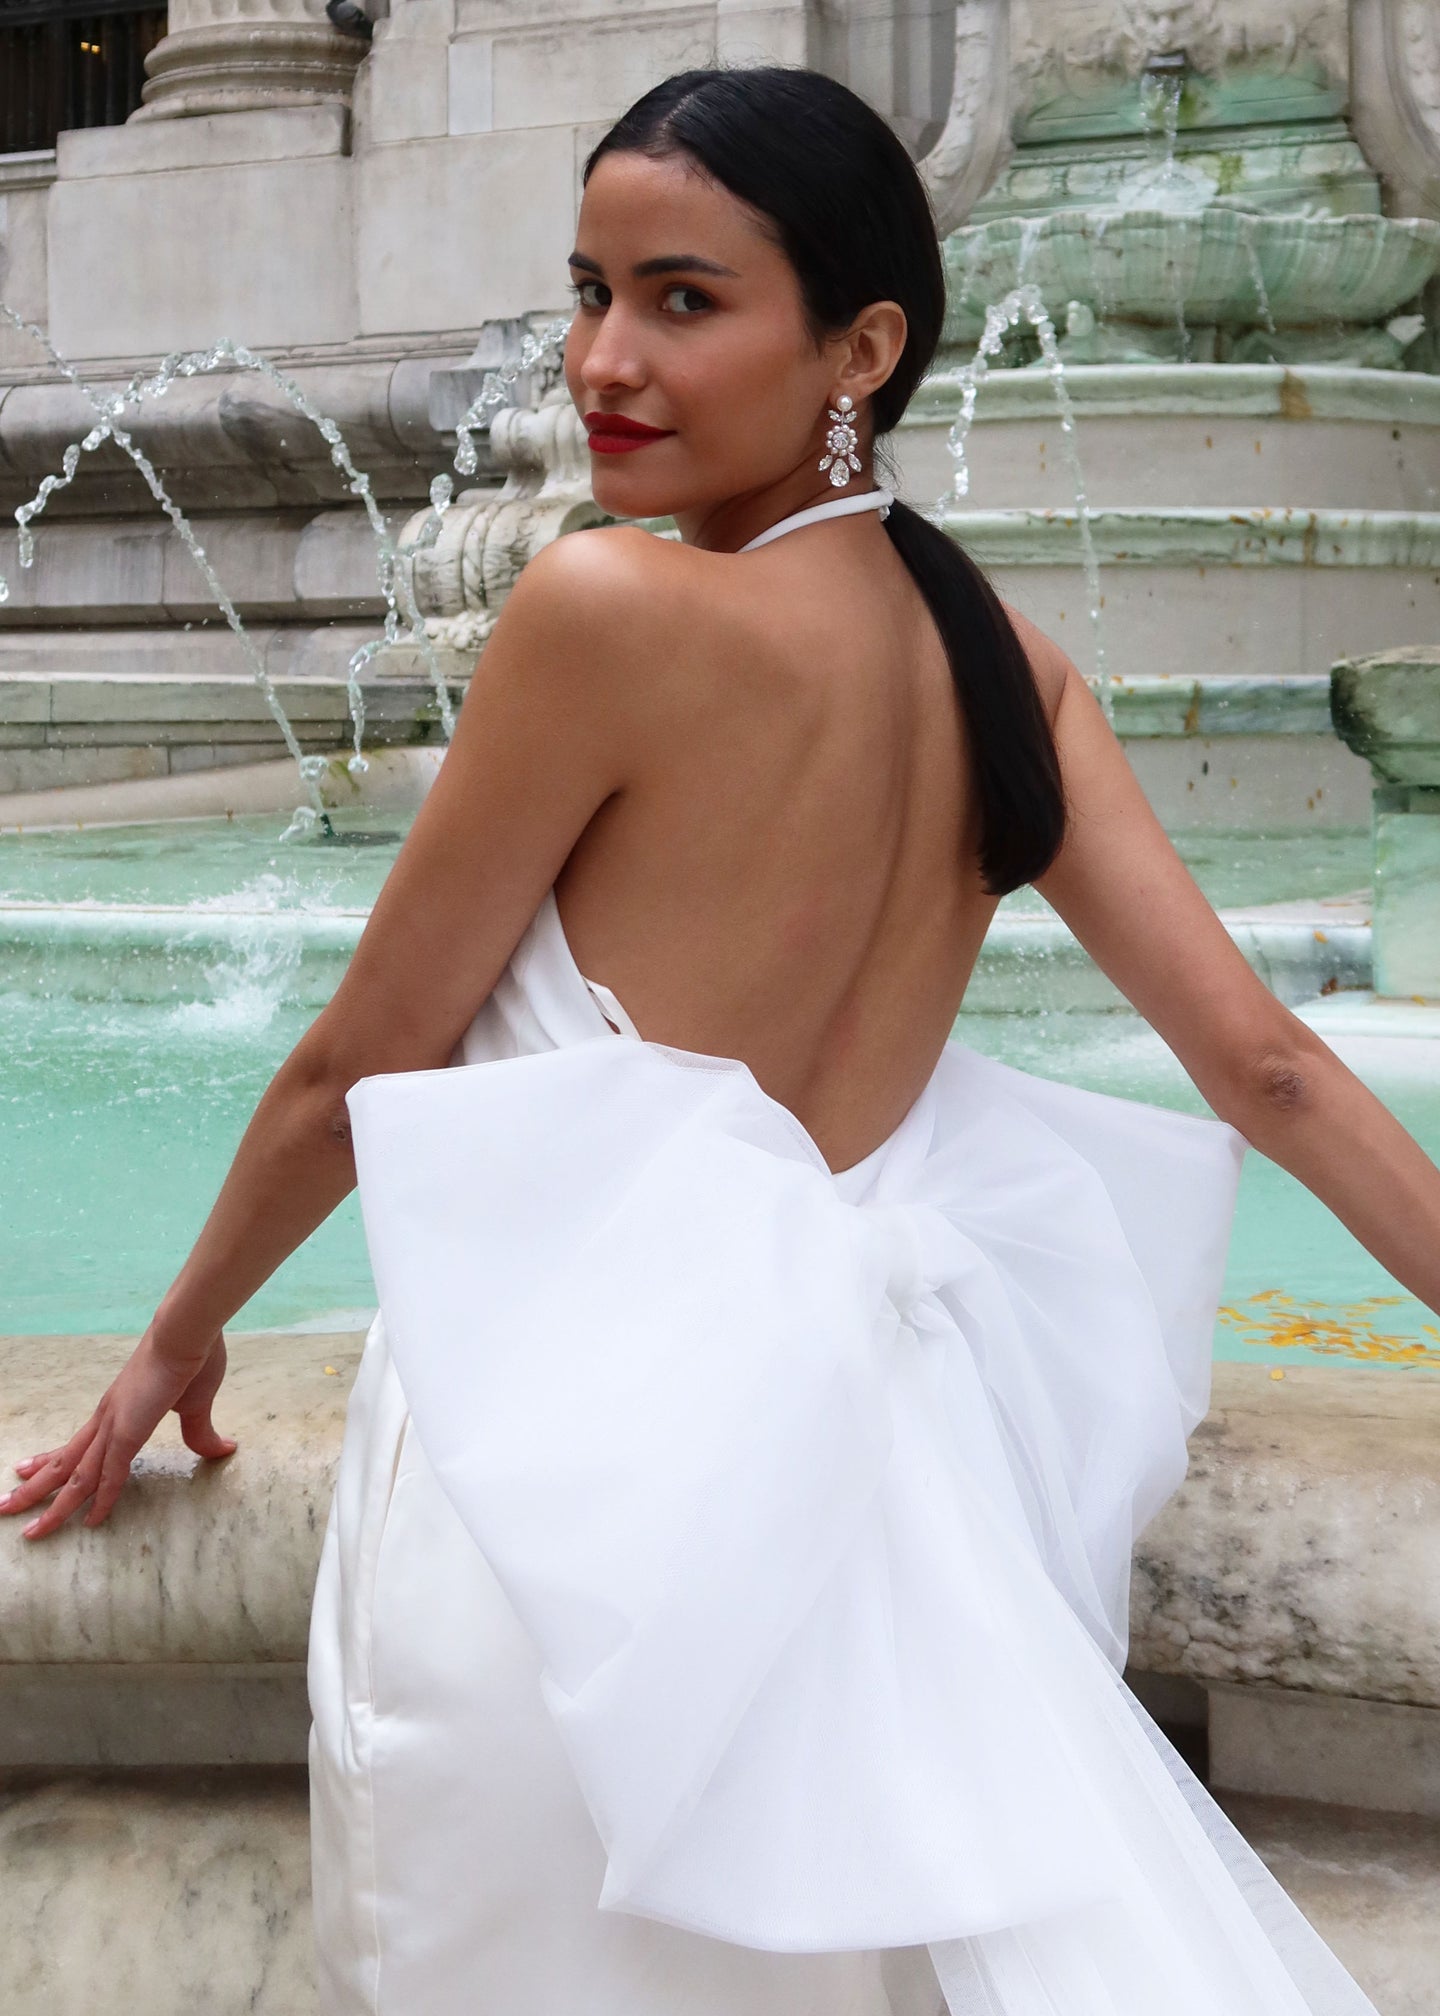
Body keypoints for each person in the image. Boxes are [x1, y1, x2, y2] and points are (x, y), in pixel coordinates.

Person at [4, 62, 1437, 2016]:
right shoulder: (1009, 665)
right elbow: (1265, 1067)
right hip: (853, 1512)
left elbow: (361, 1065)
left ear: (864, 345)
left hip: (565, 1522)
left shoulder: (608, 614)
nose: (605, 357)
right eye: (590, 291)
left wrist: (175, 1333)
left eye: (685, 300)